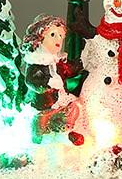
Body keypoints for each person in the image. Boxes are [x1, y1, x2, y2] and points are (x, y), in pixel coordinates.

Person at [21, 14, 82, 143]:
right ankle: (38, 141)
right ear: (39, 38)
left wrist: (76, 68)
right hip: (42, 103)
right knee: (41, 123)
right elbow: (31, 81)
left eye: (61, 36)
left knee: (74, 107)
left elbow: (64, 72)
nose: (58, 39)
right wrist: (47, 83)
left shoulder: (54, 60)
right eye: (53, 35)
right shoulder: (36, 61)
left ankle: (63, 129)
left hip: (56, 99)